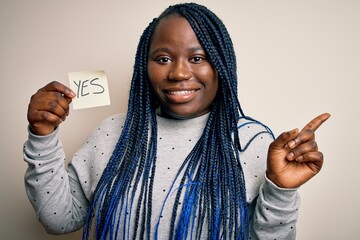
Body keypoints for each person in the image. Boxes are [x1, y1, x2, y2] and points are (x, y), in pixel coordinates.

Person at [23, 3, 330, 240]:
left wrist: (280, 189)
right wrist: (42, 137)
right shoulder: (112, 133)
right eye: (163, 58)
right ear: (145, 66)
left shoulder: (252, 143)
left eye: (197, 58)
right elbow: (59, 220)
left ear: (221, 66)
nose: (179, 73)